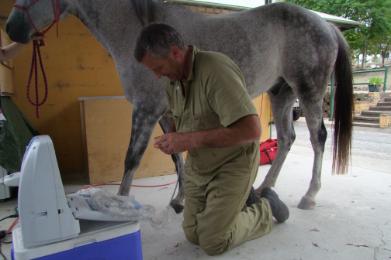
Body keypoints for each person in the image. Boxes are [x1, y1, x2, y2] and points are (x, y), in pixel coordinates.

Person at [134, 23, 289, 256]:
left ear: (176, 53)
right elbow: (183, 120)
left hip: (233, 163)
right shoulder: (172, 79)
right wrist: (173, 138)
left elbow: (251, 130)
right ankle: (237, 202)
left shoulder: (215, 69)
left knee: (213, 241)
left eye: (158, 67)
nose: (157, 75)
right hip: (201, 164)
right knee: (192, 234)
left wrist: (187, 140)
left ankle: (264, 207)